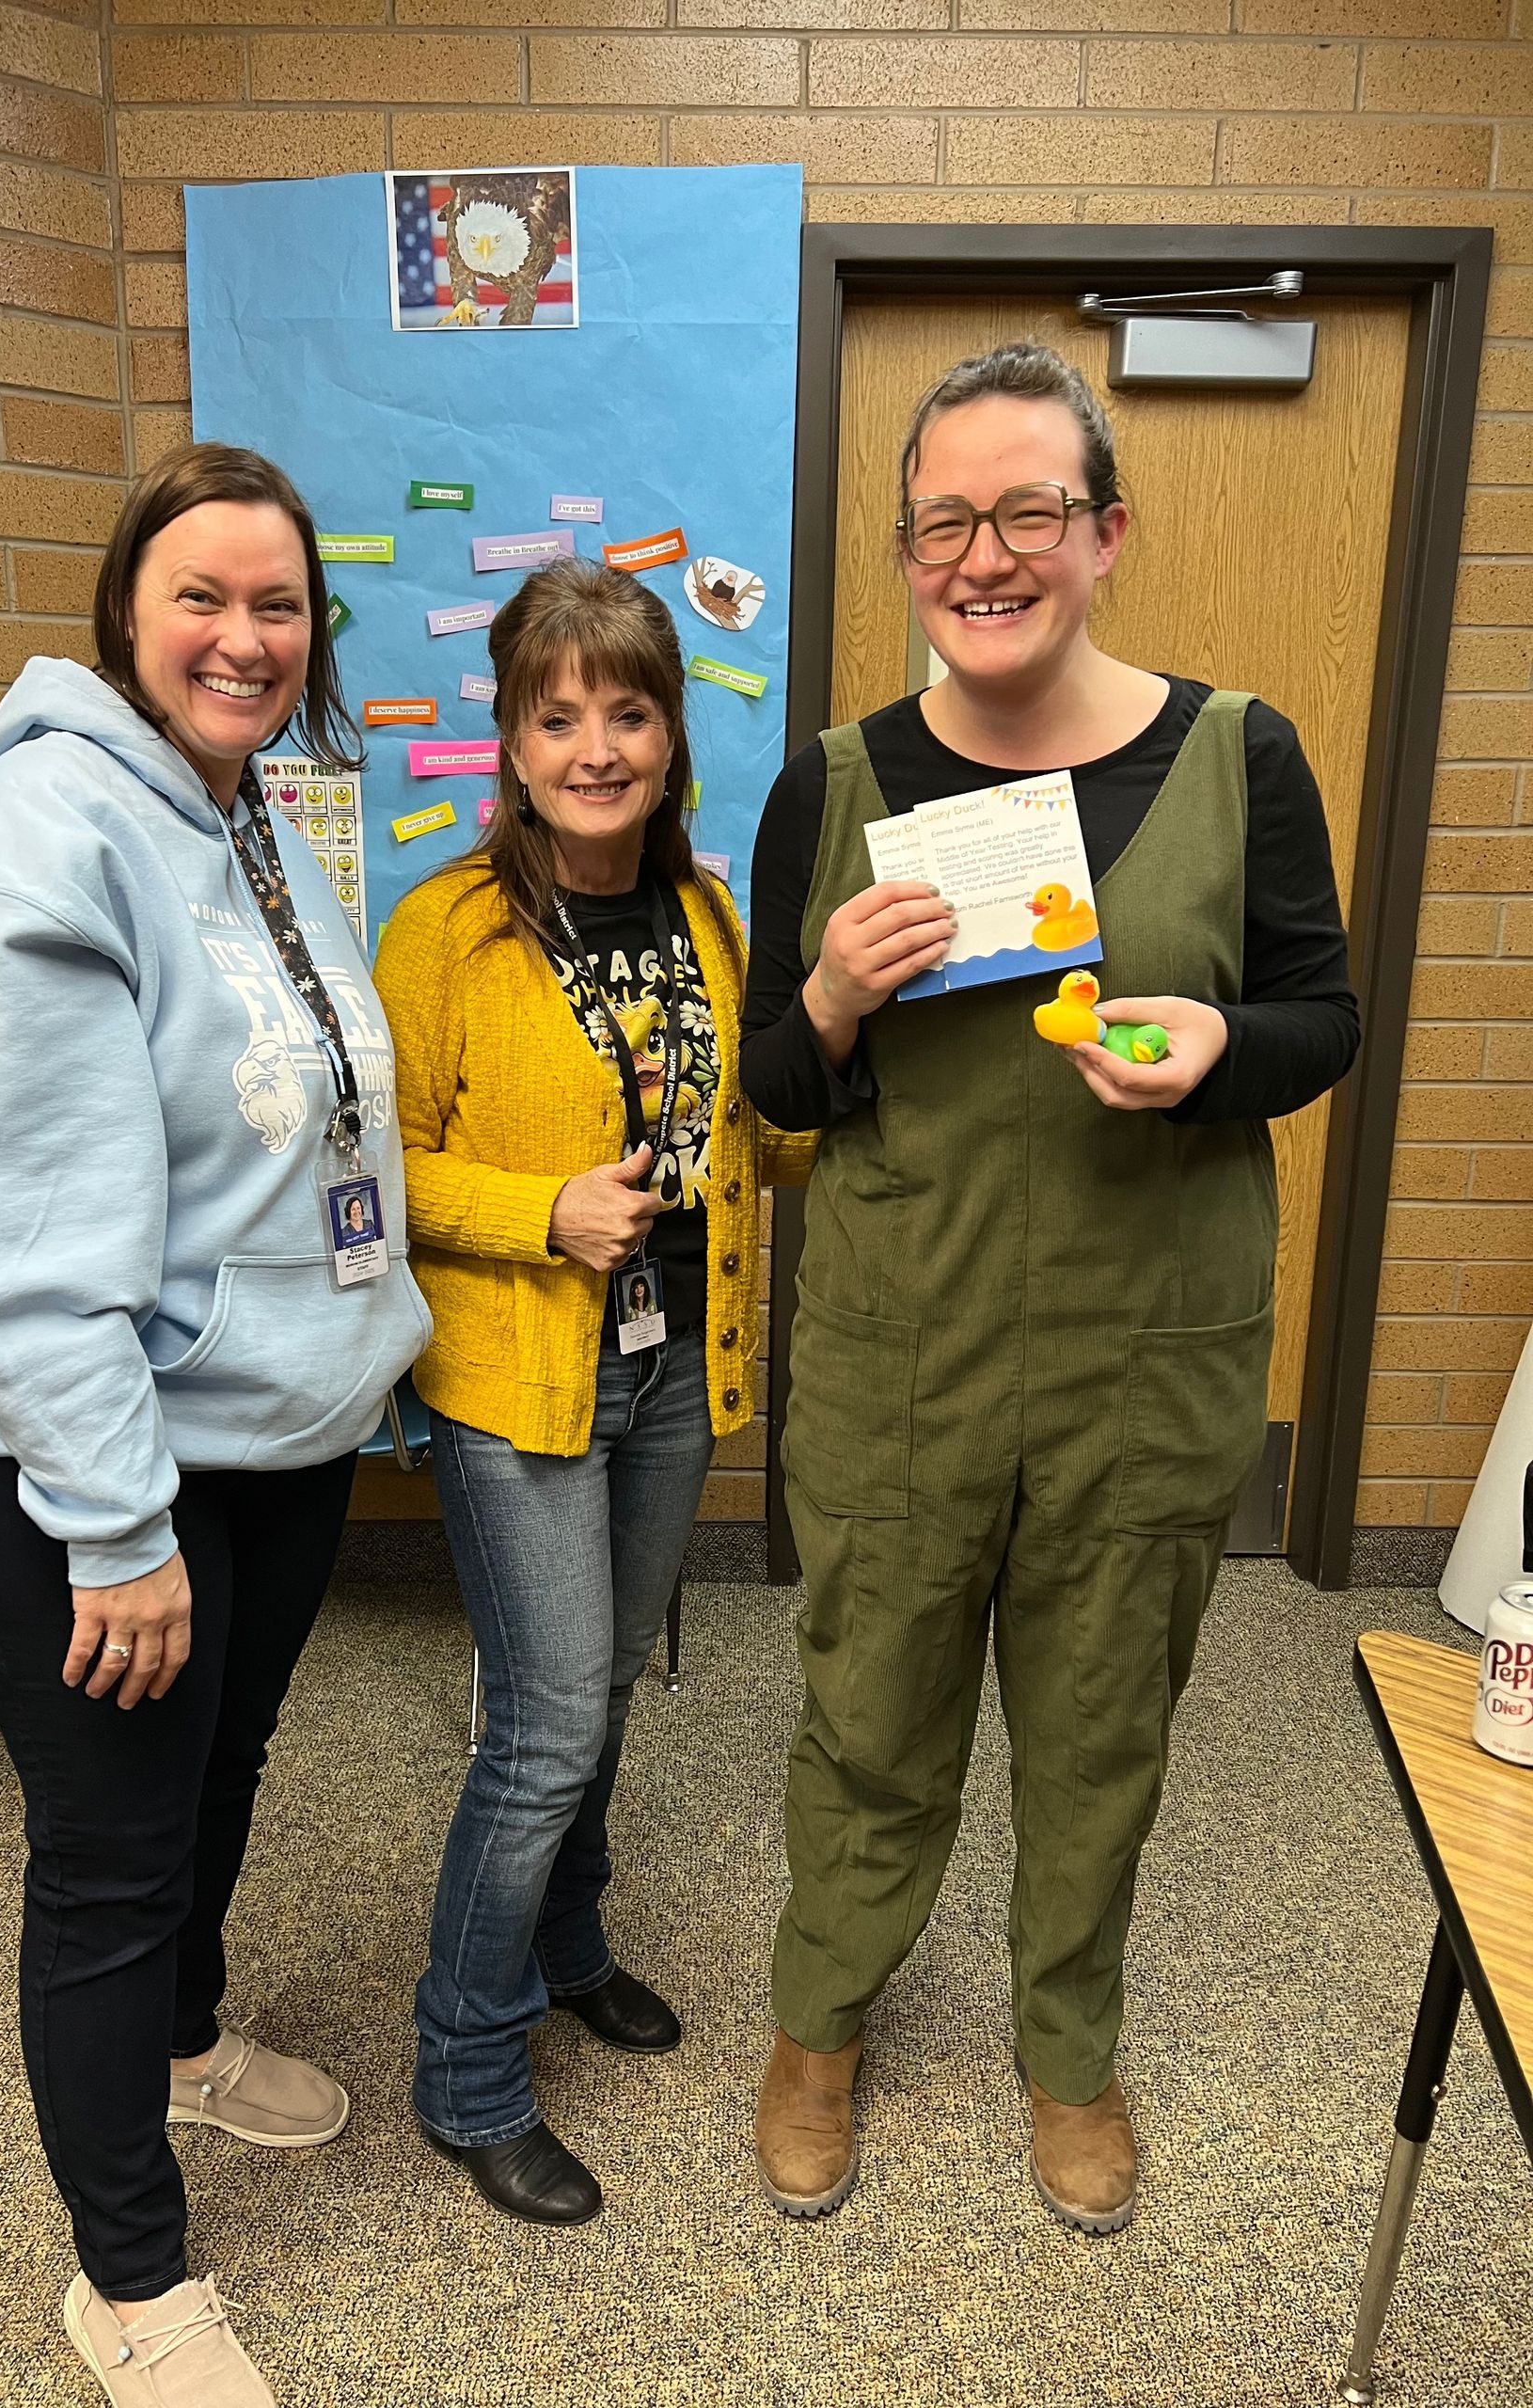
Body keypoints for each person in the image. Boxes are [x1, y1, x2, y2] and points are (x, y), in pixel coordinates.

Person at [741, 343, 1359, 2234]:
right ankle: (820, 2023)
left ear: (1104, 533)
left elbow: (1324, 1013)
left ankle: (1069, 2048)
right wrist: (834, 994)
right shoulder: (834, 781)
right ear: (911, 546)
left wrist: (1220, 1043)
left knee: (1104, 1723)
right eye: (946, 517)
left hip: (1138, 1361)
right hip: (901, 1361)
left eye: (1028, 511)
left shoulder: (1240, 752)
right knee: (871, 1715)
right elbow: (775, 1088)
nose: (984, 551)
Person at [0, 444, 430, 2408]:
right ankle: (129, 2280)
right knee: (110, 1858)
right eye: (205, 597)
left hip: (264, 1439)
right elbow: (23, 1237)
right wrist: (113, 1522)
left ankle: (186, 2050)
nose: (246, 637)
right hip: (85, 1463)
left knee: (218, 1777)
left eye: (280, 605)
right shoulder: (47, 829)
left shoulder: (242, 810)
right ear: (126, 611)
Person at [374, 555, 814, 2226]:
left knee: (608, 1690)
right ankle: (466, 2065)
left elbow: (750, 1133)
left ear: (668, 730)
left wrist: (841, 1048)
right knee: (546, 1722)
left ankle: (569, 1945)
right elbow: (379, 1171)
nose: (596, 743)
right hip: (518, 1381)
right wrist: (535, 1209)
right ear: (510, 735)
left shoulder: (708, 916)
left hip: (673, 1373)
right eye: (559, 715)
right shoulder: (450, 932)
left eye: (627, 710)